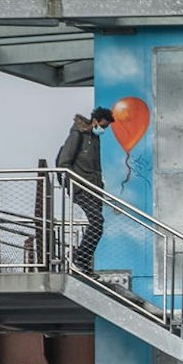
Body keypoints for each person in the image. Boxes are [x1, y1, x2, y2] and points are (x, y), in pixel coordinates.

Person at [56, 107, 114, 272]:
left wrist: (99, 187)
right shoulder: (77, 135)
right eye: (102, 126)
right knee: (97, 221)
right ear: (95, 121)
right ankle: (78, 260)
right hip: (81, 188)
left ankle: (83, 262)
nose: (103, 130)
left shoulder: (94, 138)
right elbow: (63, 163)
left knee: (98, 225)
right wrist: (76, 183)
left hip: (94, 190)